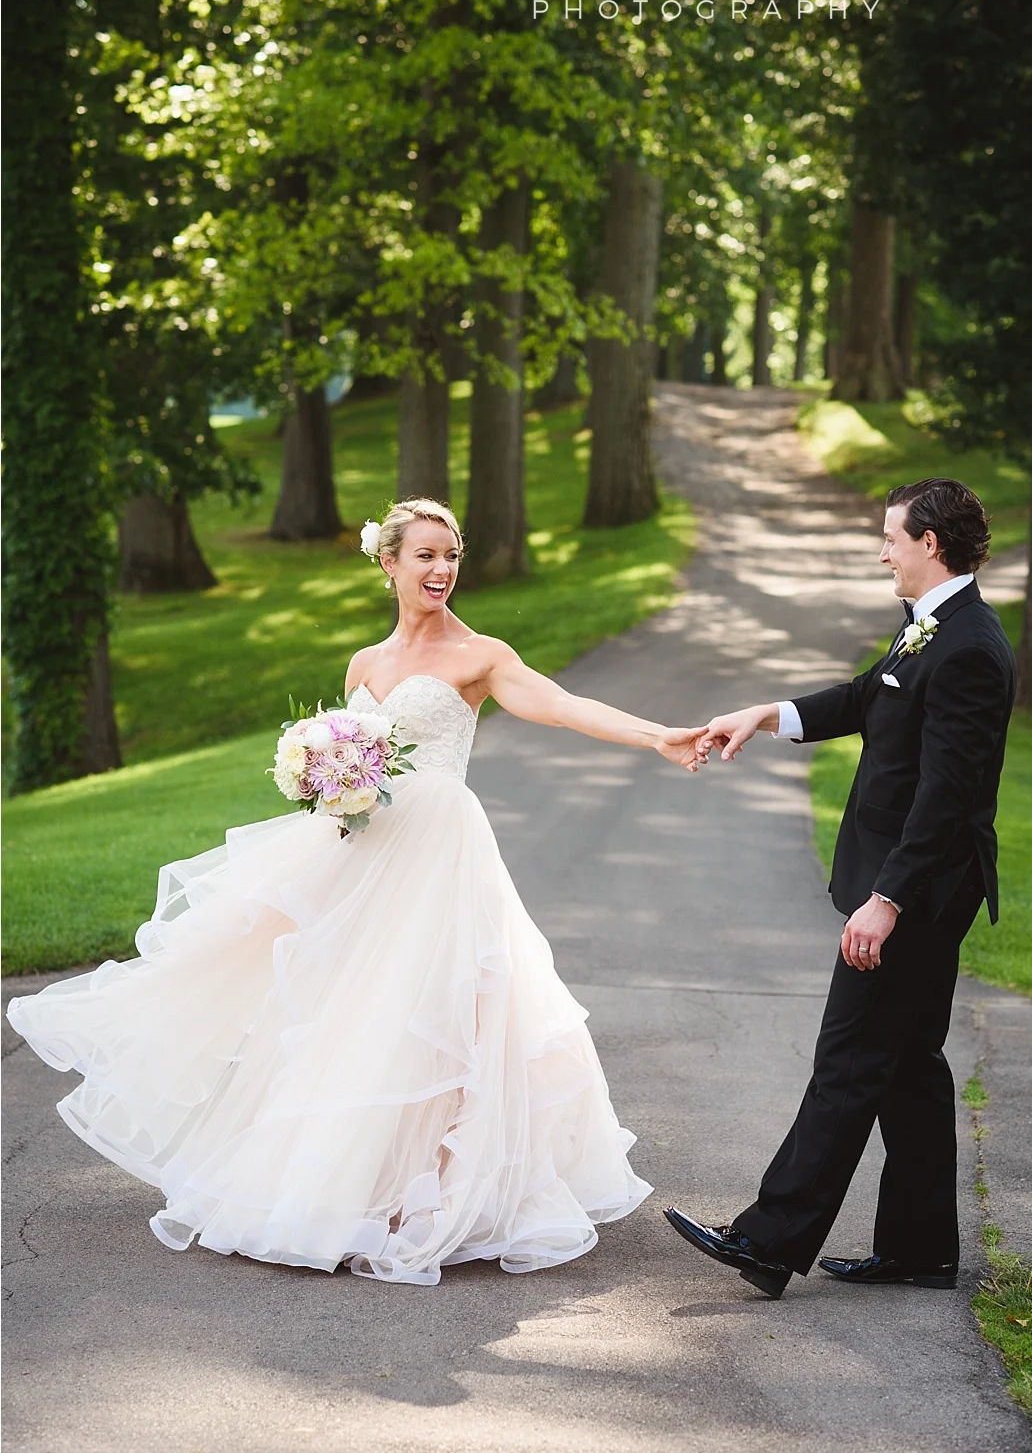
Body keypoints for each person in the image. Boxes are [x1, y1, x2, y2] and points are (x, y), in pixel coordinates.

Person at [9, 497, 703, 1286]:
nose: (442, 569)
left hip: (440, 850)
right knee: (345, 1007)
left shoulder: (480, 654)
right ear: (389, 562)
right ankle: (353, 1186)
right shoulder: (364, 664)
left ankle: (436, 1189)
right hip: (363, 852)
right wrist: (326, 783)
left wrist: (657, 734)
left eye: (451, 555)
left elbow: (564, 705)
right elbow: (351, 765)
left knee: (440, 1009)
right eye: (426, 555)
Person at [665, 478, 1016, 1299]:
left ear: (930, 542)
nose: (882, 552)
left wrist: (887, 900)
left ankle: (767, 1238)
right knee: (908, 1064)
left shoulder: (969, 647)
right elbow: (866, 697)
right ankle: (921, 1248)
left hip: (920, 891)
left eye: (891, 537)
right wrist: (765, 713)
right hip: (914, 883)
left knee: (849, 1058)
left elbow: (948, 796)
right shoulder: (935, 624)